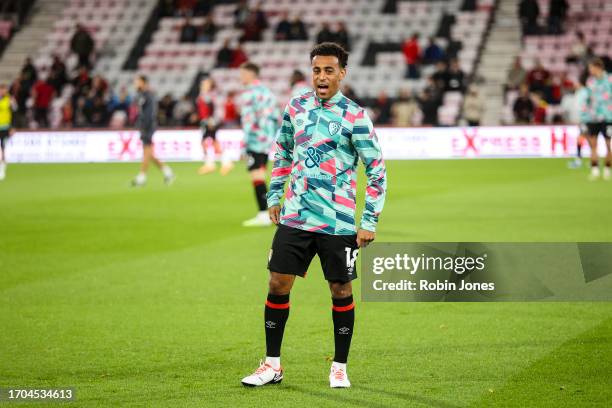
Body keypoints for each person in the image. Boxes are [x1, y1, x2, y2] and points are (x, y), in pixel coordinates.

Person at [240, 42, 387, 388]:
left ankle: (339, 367)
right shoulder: (297, 107)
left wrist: (368, 221)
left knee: (340, 289)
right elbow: (283, 153)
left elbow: (376, 169)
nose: (321, 76)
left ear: (342, 73)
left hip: (337, 219)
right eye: (317, 70)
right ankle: (272, 365)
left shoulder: (355, 116)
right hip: (295, 215)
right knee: (278, 282)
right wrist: (274, 195)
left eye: (329, 70)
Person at [238, 62, 279, 226]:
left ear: (250, 74)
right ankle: (270, 213)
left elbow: (248, 120)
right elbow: (276, 117)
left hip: (255, 139)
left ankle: (264, 214)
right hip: (267, 139)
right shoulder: (268, 92)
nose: (240, 77)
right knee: (260, 174)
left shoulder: (249, 93)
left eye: (242, 74)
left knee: (256, 175)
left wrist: (244, 144)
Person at [131, 75, 174, 187]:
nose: (135, 83)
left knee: (146, 152)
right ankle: (167, 172)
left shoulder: (148, 96)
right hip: (145, 126)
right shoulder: (141, 95)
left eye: (138, 81)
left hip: (148, 127)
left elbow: (149, 114)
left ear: (143, 83)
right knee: (149, 153)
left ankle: (142, 177)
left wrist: (145, 126)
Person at [196, 78, 233, 175]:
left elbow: (211, 108)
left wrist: (211, 121)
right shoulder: (206, 94)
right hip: (208, 121)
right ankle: (222, 163)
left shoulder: (209, 95)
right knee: (212, 142)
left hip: (210, 121)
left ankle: (213, 164)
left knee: (207, 142)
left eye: (205, 83)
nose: (202, 84)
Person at [584, 58, 612, 180]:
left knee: (608, 144)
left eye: (591, 67)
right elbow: (587, 99)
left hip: (608, 116)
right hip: (593, 117)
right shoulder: (590, 81)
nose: (590, 70)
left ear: (598, 67)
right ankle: (595, 170)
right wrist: (584, 115)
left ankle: (607, 169)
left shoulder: (610, 79)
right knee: (592, 144)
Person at [0, 83, 15, 180]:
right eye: (1, 89)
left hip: (5, 128)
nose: (2, 91)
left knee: (3, 148)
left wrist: (12, 127)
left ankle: (2, 170)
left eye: (4, 89)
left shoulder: (10, 100)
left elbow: (14, 114)